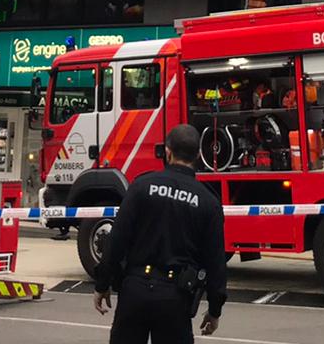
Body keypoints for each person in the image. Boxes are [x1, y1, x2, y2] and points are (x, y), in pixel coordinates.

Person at [94, 125, 227, 344]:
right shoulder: (208, 201)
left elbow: (116, 240)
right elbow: (216, 262)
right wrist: (215, 309)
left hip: (134, 291)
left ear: (168, 151)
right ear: (197, 155)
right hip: (175, 298)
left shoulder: (141, 186)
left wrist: (102, 283)